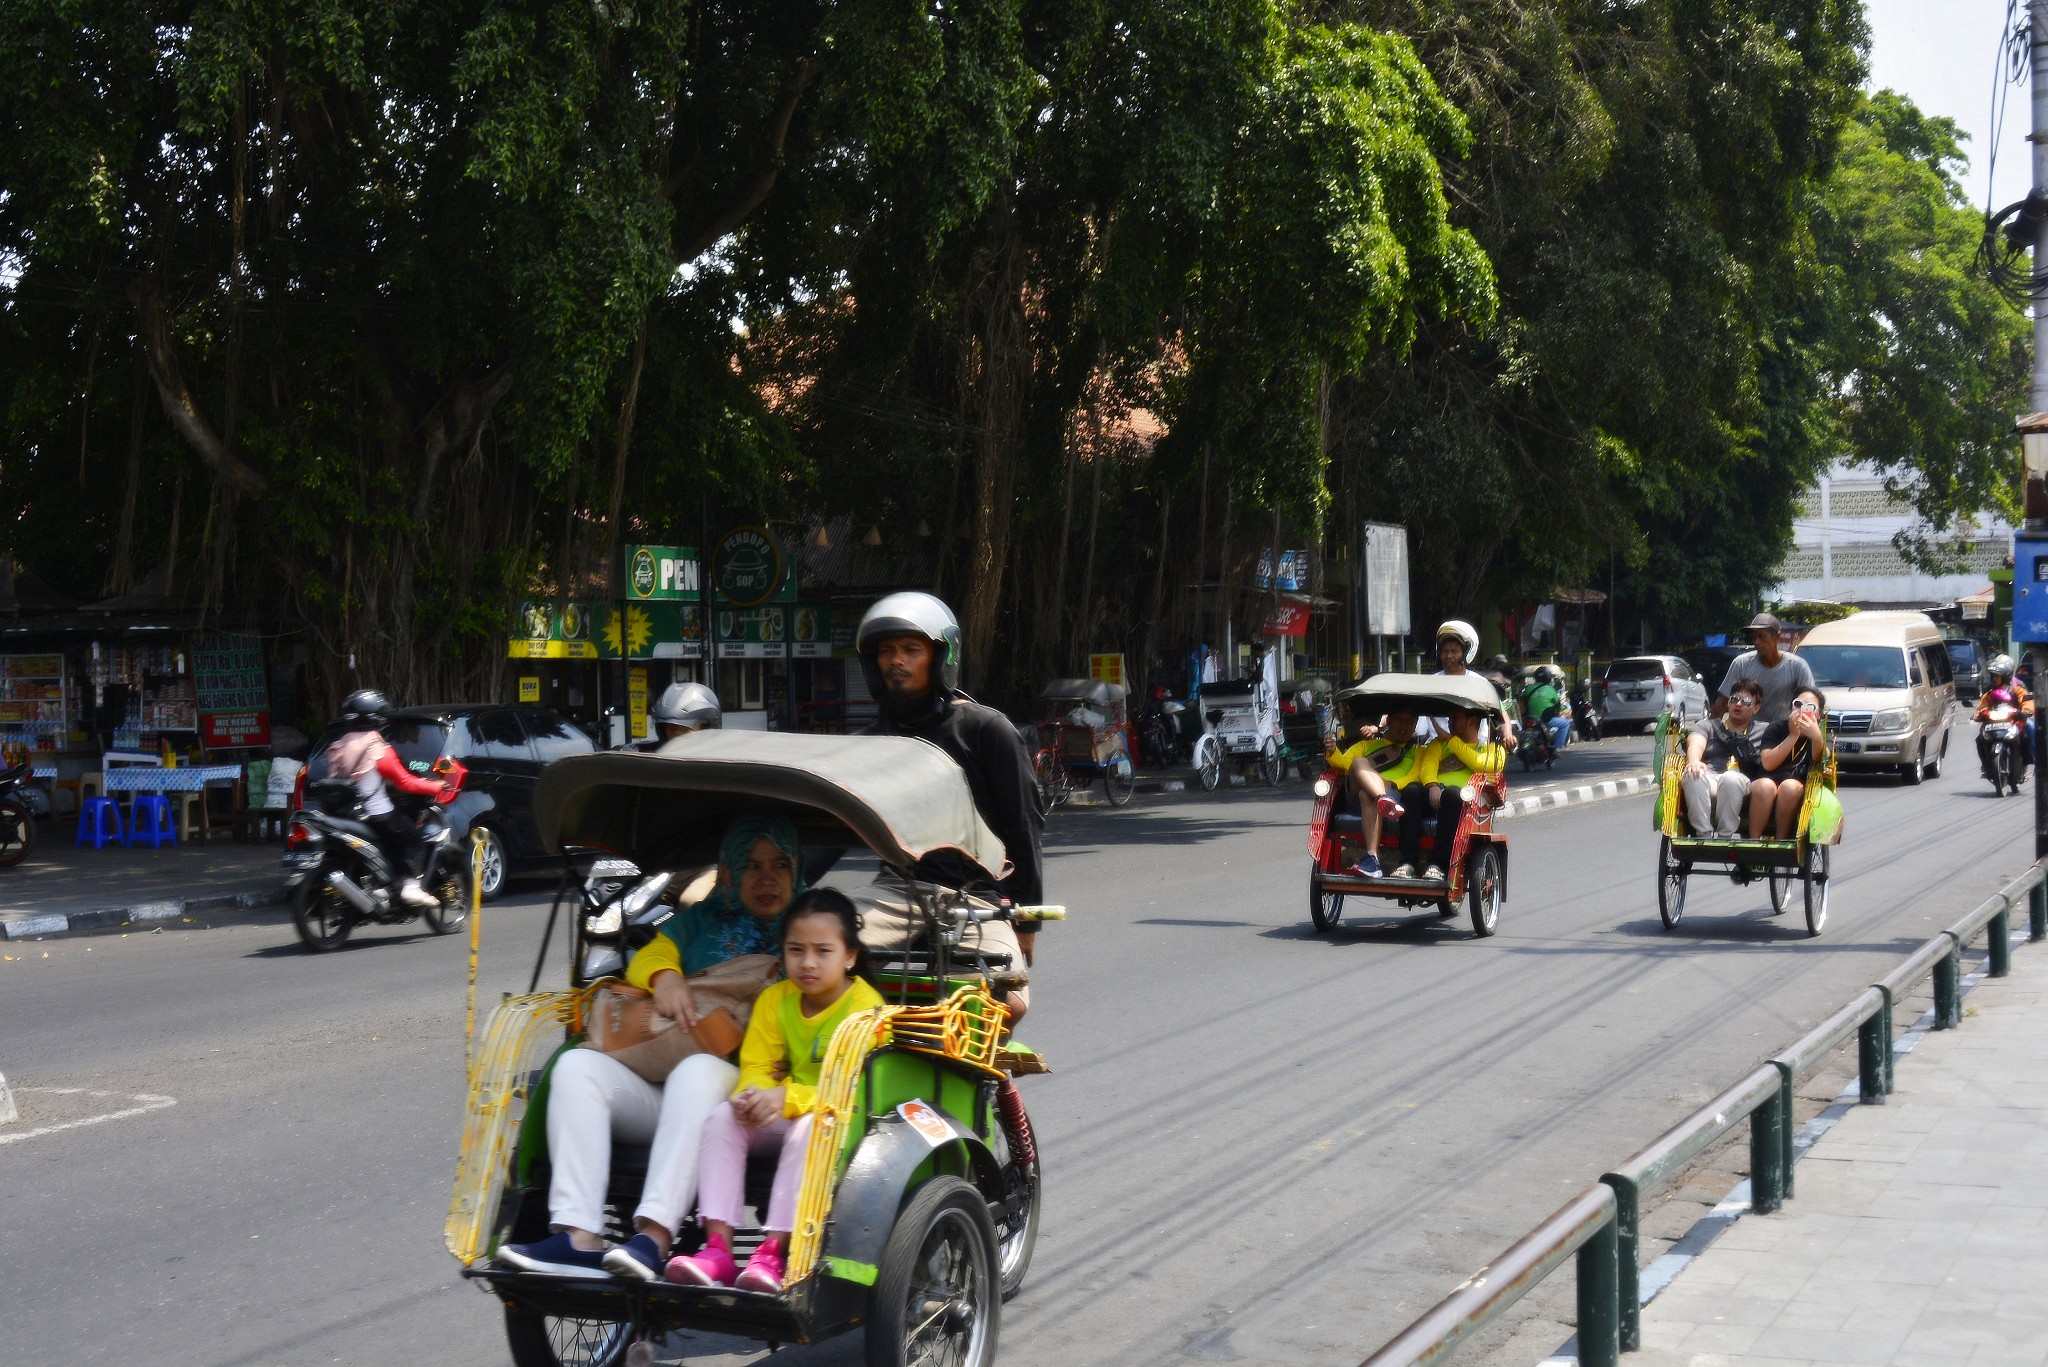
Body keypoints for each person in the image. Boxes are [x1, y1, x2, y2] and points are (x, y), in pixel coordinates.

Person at [494, 815, 802, 1280]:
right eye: (751, 866)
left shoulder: (805, 932)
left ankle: (653, 1238)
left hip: (744, 1094)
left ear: (796, 871)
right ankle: (579, 1237)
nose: (766, 879)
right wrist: (667, 977)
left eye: (779, 865)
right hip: (669, 1080)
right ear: (728, 874)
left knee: (697, 1071)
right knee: (577, 1066)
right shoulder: (700, 920)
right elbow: (655, 953)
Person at [665, 888, 885, 1293]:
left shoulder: (864, 1009)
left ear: (850, 956)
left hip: (840, 1121)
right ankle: (717, 1249)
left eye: (823, 951)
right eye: (796, 950)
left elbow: (847, 1090)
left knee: (808, 1128)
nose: (808, 963)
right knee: (723, 1118)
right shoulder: (775, 999)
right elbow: (757, 1065)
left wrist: (786, 1098)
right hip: (788, 1109)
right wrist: (753, 1097)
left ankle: (772, 1251)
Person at [856, 593, 1045, 959]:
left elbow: (1025, 828)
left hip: (978, 897)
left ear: (942, 657)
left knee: (1008, 996)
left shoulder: (985, 729)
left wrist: (1028, 921)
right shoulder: (868, 743)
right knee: (819, 944)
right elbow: (828, 829)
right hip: (897, 892)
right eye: (886, 650)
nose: (896, 660)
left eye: (911, 649)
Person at [317, 689, 457, 909]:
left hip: (347, 814)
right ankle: (411, 886)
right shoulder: (376, 747)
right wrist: (436, 784)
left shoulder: (339, 745)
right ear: (376, 717)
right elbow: (405, 783)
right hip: (377, 813)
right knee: (413, 839)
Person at [1328, 706, 1434, 878]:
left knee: (1367, 795)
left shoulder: (1418, 751)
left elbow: (1416, 775)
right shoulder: (1366, 744)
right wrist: (1332, 751)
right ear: (1389, 721)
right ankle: (1381, 797)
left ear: (1415, 725)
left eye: (1410, 722)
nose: (1404, 726)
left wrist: (1389, 784)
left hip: (1395, 797)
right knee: (1358, 762)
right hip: (1361, 795)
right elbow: (1345, 765)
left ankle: (1372, 859)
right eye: (1400, 720)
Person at [1405, 708, 1506, 881]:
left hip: (1466, 805)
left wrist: (1451, 741)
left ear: (1472, 721)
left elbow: (1479, 763)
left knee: (1453, 794)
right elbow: (1427, 767)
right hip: (1434, 796)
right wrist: (1433, 786)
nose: (1450, 723)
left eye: (1455, 718)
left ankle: (1438, 864)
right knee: (1411, 791)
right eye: (1449, 718)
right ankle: (1408, 863)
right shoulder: (1438, 744)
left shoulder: (1492, 750)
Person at [1682, 678, 1768, 836]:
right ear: (1729, 702)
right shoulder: (1708, 726)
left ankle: (1724, 836)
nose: (1739, 704)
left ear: (1756, 708)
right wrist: (1694, 761)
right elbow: (1695, 742)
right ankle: (1703, 835)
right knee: (1692, 774)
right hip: (1711, 778)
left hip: (1745, 783)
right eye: (1735, 699)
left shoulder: (1764, 731)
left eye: (1746, 701)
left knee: (1731, 778)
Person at [1752, 687, 1825, 840]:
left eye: (1810, 707)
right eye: (1798, 704)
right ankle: (1753, 841)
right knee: (1765, 786)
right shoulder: (1776, 728)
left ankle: (1781, 840)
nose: (1802, 710)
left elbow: (1819, 758)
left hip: (1796, 784)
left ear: (1818, 714)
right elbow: (1768, 763)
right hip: (1768, 778)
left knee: (1789, 786)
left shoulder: (1820, 734)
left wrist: (1816, 737)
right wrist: (1793, 735)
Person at [1715, 613, 1815, 724]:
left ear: (1777, 638)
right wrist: (1711, 731)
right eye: (1754, 637)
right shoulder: (1741, 663)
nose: (1756, 642)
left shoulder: (1798, 667)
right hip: (1749, 733)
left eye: (1761, 636)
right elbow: (1723, 701)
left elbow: (1809, 703)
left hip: (1782, 732)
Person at [1975, 654, 2035, 783]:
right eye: (1993, 675)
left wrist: (2025, 711)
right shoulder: (1990, 690)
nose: (1994, 678)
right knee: (1979, 739)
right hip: (1994, 721)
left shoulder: (2017, 687)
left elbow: (2026, 701)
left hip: (2015, 720)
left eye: (1998, 675)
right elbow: (1983, 705)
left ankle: (2027, 763)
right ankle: (1985, 765)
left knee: (2029, 730)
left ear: (2006, 675)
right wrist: (1979, 714)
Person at [635, 681, 721, 749]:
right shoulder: (653, 761)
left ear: (705, 728)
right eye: (672, 728)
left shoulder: (724, 760)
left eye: (684, 729)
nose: (676, 734)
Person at [1519, 666, 1571, 755]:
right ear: (1548, 677)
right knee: (1565, 724)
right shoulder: (1551, 689)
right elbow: (1558, 705)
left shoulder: (1528, 688)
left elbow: (1522, 700)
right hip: (1545, 720)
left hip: (1529, 719)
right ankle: (1557, 748)